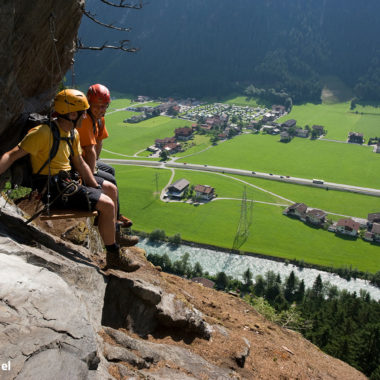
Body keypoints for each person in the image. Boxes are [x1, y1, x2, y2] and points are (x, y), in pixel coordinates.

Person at [0, 89, 139, 272]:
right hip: (52, 188)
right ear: (72, 114)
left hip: (67, 182)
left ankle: (112, 236)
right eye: (82, 113)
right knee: (107, 204)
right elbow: (11, 155)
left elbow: (80, 163)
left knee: (110, 190)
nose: (84, 117)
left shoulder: (72, 133)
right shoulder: (42, 133)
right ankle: (113, 255)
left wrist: (95, 186)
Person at [77, 83, 133, 228]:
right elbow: (89, 150)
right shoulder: (84, 120)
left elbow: (99, 142)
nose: (101, 110)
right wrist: (90, 178)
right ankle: (112, 223)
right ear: (89, 104)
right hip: (79, 163)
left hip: (88, 160)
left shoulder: (100, 119)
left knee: (110, 170)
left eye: (104, 106)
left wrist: (96, 164)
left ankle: (116, 214)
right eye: (97, 106)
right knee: (110, 179)